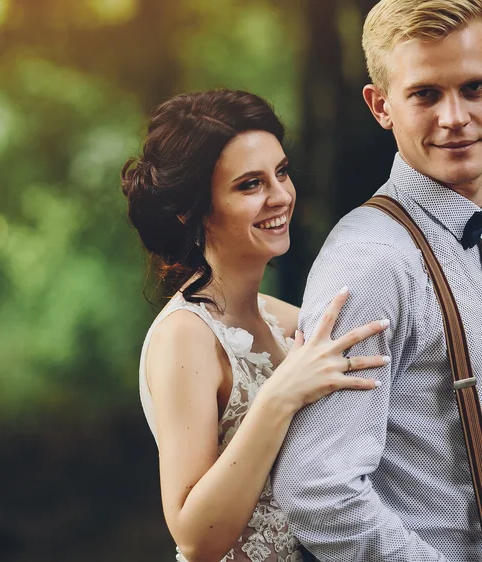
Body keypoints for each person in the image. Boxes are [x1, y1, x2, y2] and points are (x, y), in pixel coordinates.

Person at [121, 89, 390, 562]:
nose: (281, 196)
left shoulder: (284, 318)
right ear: (191, 210)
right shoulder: (185, 336)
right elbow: (194, 537)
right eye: (250, 185)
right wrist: (279, 397)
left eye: (281, 172)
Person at [271, 1, 482, 560]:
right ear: (380, 104)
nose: (455, 116)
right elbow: (319, 490)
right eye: (426, 94)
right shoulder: (372, 260)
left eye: (475, 87)